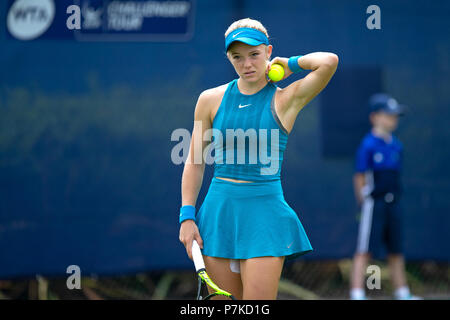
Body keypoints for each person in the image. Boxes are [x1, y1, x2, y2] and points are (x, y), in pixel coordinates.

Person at [179, 18, 338, 300]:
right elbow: (195, 160)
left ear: (268, 52)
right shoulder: (209, 99)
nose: (246, 64)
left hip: (265, 215)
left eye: (254, 54)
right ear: (228, 57)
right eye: (237, 57)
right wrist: (187, 216)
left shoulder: (286, 99)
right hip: (218, 213)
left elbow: (328, 61)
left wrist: (290, 63)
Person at [349, 93, 420, 300]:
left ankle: (402, 292)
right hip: (374, 205)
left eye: (395, 115)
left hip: (394, 204)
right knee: (365, 250)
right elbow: (360, 177)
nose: (393, 119)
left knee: (396, 250)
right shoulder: (368, 145)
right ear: (375, 117)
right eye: (388, 115)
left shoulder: (396, 145)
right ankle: (357, 293)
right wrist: (364, 202)